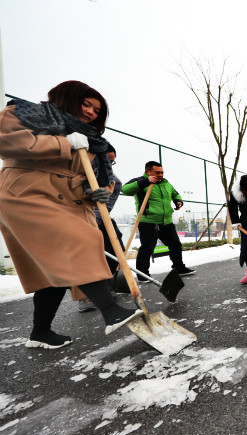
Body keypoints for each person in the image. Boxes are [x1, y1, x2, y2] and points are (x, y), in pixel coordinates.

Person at [0, 80, 144, 349]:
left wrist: (98, 191)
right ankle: (111, 311)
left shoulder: (93, 141)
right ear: (67, 98)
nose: (91, 112)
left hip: (69, 201)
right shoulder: (26, 113)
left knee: (52, 274)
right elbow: (8, 143)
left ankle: (40, 333)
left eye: (97, 110)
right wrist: (62, 142)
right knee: (79, 241)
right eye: (86, 104)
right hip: (28, 194)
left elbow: (95, 176)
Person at [122, 161, 195, 282]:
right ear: (147, 172)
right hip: (148, 221)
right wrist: (146, 181)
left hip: (166, 222)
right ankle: (142, 275)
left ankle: (179, 268)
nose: (161, 175)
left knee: (175, 244)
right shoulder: (140, 181)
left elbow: (175, 194)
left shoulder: (166, 183)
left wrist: (178, 201)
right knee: (147, 248)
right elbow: (124, 189)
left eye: (162, 172)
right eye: (157, 172)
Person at [77, 143, 124, 312]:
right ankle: (84, 297)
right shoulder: (77, 170)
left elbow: (106, 205)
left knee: (117, 250)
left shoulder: (114, 182)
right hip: (75, 216)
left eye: (112, 162)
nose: (109, 165)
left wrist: (98, 218)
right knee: (84, 257)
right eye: (107, 161)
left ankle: (105, 286)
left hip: (98, 217)